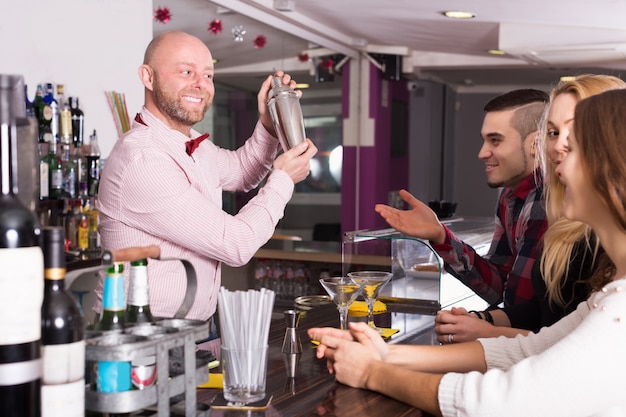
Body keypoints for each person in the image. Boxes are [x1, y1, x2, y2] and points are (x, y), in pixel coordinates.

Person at [309, 88, 626, 417]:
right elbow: (532, 344)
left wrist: (372, 371)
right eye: (553, 135)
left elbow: (499, 401)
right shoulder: (607, 293)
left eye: (571, 144)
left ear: (614, 167)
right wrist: (385, 355)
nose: (556, 154)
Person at [95, 31, 318, 323]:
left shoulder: (191, 144)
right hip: (141, 335)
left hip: (194, 327)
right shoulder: (143, 159)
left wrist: (267, 124)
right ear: (147, 77)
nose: (200, 84)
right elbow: (236, 244)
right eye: (186, 71)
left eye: (208, 75)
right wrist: (283, 179)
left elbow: (242, 172)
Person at [434, 74, 624, 343]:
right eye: (554, 132)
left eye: (495, 140)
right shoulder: (522, 203)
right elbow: (544, 309)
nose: (558, 145)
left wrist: (489, 330)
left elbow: (573, 344)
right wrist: (484, 320)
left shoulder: (561, 212)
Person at [376, 89, 549, 307]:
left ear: (536, 144)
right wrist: (440, 235)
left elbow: (522, 311)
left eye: (495, 140)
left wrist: (480, 322)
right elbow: (500, 289)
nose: (482, 153)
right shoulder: (509, 196)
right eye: (484, 141)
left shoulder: (545, 199)